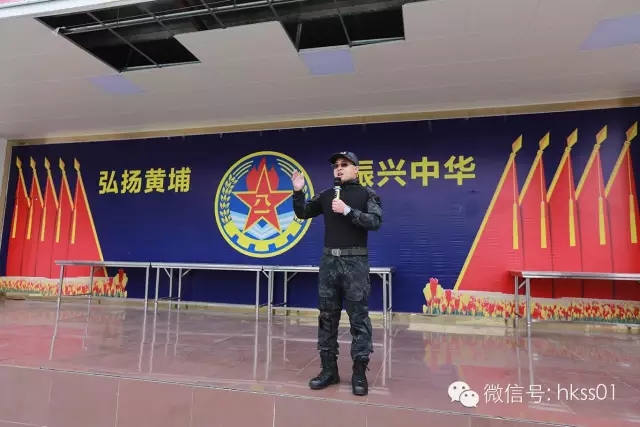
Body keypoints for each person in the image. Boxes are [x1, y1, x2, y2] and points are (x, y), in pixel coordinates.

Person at [291, 151, 383, 396]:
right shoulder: (327, 195)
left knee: (358, 318)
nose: (339, 168)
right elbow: (303, 212)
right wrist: (298, 192)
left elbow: (375, 221)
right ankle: (329, 370)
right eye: (336, 165)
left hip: (355, 262)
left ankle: (359, 372)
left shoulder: (367, 194)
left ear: (356, 169)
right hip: (329, 262)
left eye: (345, 164)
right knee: (327, 317)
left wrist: (347, 211)